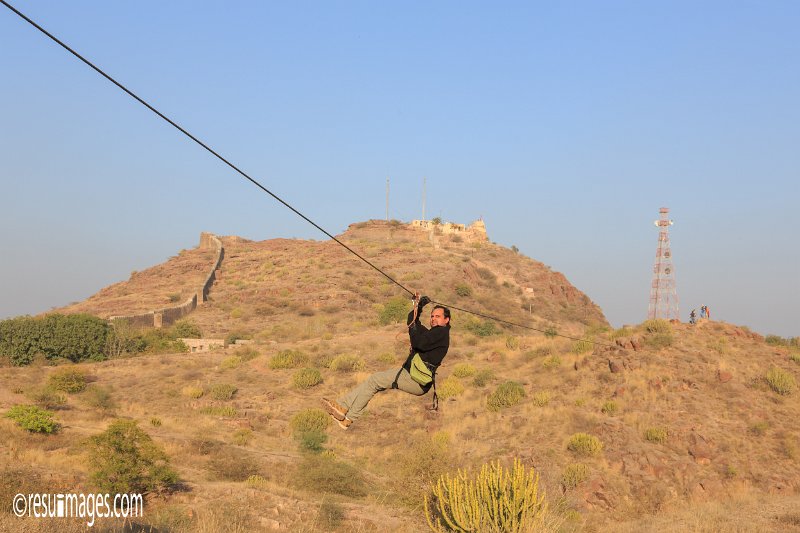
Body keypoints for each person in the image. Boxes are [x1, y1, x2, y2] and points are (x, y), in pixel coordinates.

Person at [322, 295, 450, 429]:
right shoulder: (432, 334)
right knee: (373, 381)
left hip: (415, 379)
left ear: (446, 320)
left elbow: (418, 342)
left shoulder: (441, 332)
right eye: (432, 316)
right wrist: (418, 307)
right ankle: (345, 412)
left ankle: (345, 411)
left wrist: (416, 319)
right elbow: (411, 322)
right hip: (411, 375)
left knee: (374, 381)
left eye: (438, 316)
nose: (433, 319)